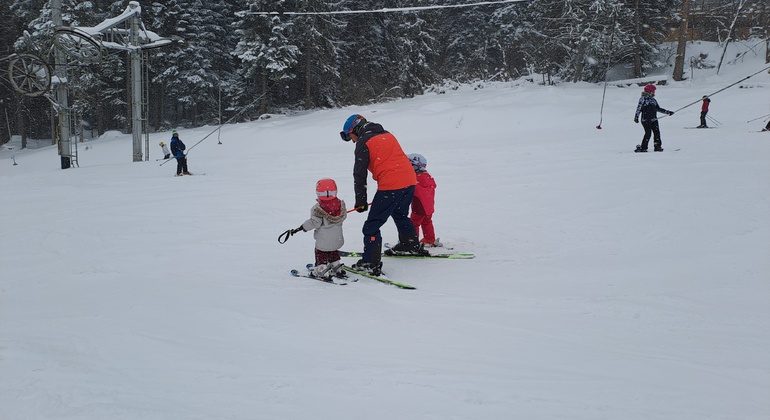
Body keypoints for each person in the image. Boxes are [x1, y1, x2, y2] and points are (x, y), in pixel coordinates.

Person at [340, 114, 428, 276]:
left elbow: (359, 174)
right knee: (400, 213)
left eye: (349, 136)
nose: (351, 140)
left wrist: (361, 201)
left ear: (355, 130)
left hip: (391, 185)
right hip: (409, 180)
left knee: (371, 226)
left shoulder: (363, 142)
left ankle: (370, 263)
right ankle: (409, 244)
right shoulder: (387, 134)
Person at [294, 178, 348, 280]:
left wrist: (303, 227)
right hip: (337, 239)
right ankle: (336, 266)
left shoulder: (317, 209)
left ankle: (321, 268)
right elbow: (343, 216)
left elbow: (315, 222)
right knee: (332, 250)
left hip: (323, 241)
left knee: (321, 252)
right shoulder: (340, 205)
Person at [407, 153, 439, 247]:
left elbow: (410, 189)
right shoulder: (427, 177)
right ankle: (429, 239)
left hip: (419, 207)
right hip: (429, 207)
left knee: (414, 223)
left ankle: (413, 242)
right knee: (427, 221)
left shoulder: (415, 179)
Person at [634, 84, 674, 152]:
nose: (654, 92)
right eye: (653, 91)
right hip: (645, 120)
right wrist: (636, 117)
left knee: (657, 132)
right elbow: (639, 108)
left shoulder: (653, 100)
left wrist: (667, 112)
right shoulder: (643, 99)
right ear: (649, 91)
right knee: (648, 133)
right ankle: (644, 147)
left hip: (654, 119)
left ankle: (657, 146)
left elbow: (658, 109)